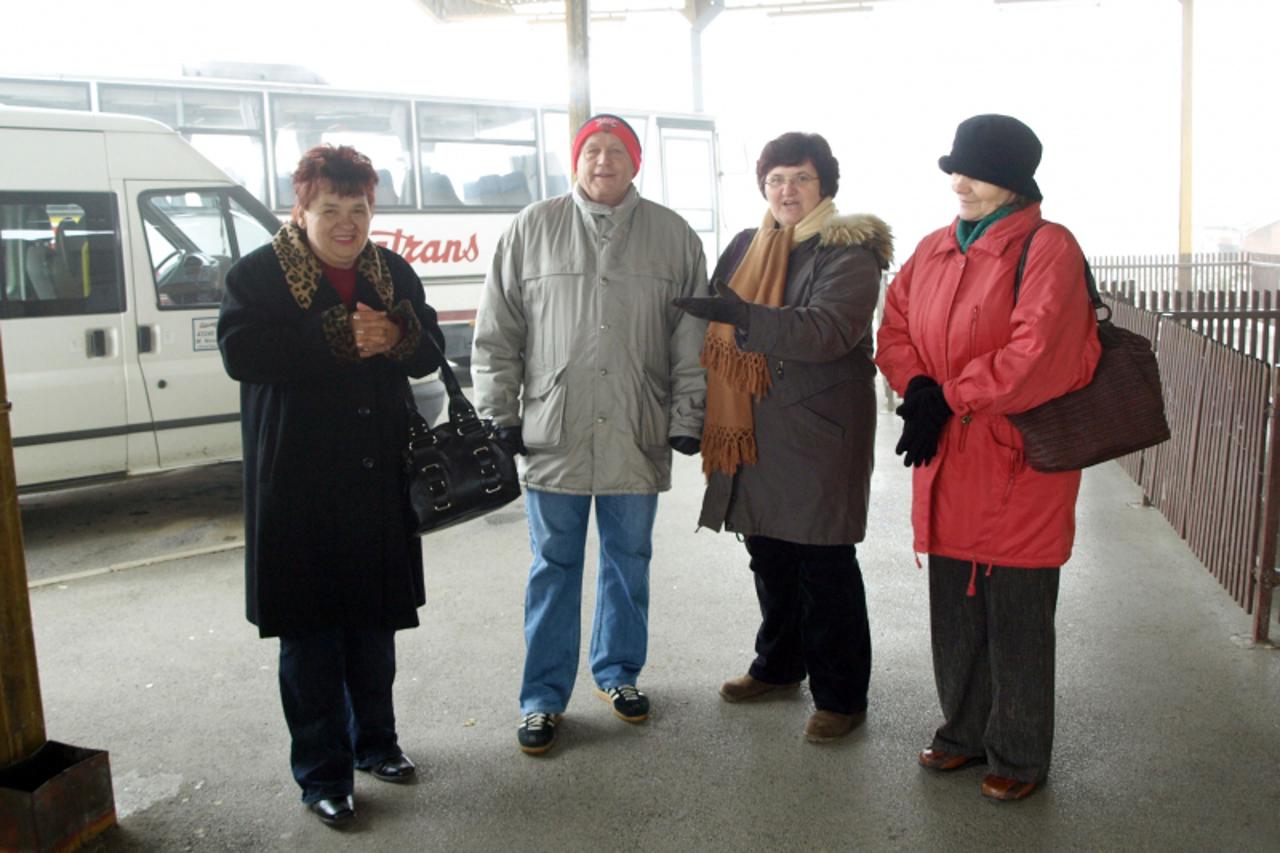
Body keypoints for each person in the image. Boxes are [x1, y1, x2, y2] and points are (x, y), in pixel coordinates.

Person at [875, 114, 1101, 802]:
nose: (958, 182)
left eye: (974, 171)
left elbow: (1040, 354)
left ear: (1014, 181)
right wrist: (916, 387)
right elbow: (895, 325)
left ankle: (1019, 750)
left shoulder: (1048, 247)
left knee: (1019, 611)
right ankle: (963, 731)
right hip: (947, 453)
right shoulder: (934, 248)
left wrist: (951, 393)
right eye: (954, 168)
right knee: (955, 606)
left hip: (1017, 457)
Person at [218, 144, 446, 826]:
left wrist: (399, 332)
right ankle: (322, 773)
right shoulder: (258, 276)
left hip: (377, 481)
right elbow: (241, 352)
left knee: (373, 631)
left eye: (359, 209)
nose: (347, 224)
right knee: (312, 638)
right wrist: (337, 338)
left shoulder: (391, 270)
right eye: (330, 210)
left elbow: (430, 350)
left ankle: (377, 743)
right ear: (301, 208)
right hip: (298, 486)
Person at [471, 114, 707, 755]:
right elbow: (498, 334)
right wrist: (500, 416)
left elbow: (693, 341)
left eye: (617, 151)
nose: (604, 160)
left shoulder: (674, 236)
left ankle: (619, 672)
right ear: (575, 161)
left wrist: (688, 416)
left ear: (636, 163)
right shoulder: (531, 228)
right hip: (557, 428)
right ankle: (542, 697)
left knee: (629, 560)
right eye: (592, 150)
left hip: (637, 424)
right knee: (553, 566)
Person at [671, 132, 892, 743]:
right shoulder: (748, 244)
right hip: (752, 429)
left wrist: (746, 318)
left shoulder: (850, 248)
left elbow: (828, 329)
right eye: (775, 180)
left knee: (823, 562)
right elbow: (712, 317)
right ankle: (778, 665)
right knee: (767, 553)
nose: (786, 190)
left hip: (817, 431)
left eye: (799, 178)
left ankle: (842, 694)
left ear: (824, 185)